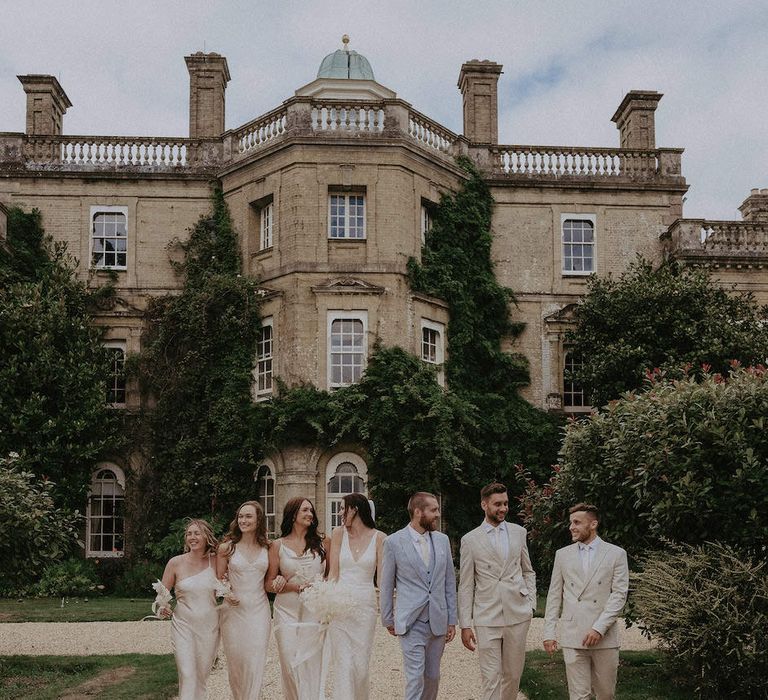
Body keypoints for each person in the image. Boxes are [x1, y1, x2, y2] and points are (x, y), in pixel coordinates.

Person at [458, 482, 536, 700]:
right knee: (490, 676)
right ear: (484, 505)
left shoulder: (519, 532)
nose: (503, 508)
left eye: (506, 503)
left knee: (512, 676)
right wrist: (465, 624)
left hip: (517, 614)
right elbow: (465, 584)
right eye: (497, 504)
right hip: (486, 616)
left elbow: (528, 571)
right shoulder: (470, 540)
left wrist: (530, 604)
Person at [543, 503, 629, 700]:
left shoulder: (616, 554)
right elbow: (554, 596)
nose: (571, 527)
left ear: (593, 524)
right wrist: (549, 632)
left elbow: (619, 595)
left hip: (604, 636)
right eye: (570, 522)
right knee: (579, 696)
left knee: (606, 694)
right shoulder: (562, 555)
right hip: (573, 634)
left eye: (577, 522)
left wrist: (599, 628)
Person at [380, 491, 457, 700]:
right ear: (417, 512)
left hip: (438, 620)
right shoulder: (393, 542)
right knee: (415, 678)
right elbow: (386, 584)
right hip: (411, 621)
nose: (438, 514)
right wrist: (387, 618)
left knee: (432, 676)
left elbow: (449, 582)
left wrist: (452, 619)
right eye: (433, 510)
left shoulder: (442, 540)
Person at [326, 494, 386, 699]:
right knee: (342, 664)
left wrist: (388, 610)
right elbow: (333, 574)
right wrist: (324, 602)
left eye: (343, 508)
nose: (341, 513)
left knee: (360, 666)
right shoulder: (337, 534)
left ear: (355, 509)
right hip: (339, 606)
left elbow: (382, 580)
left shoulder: (380, 538)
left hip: (365, 607)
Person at [268, 497, 327, 700]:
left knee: (311, 662)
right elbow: (268, 584)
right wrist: (288, 585)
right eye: (305, 510)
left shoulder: (322, 543)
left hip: (314, 611)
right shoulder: (277, 545)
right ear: (293, 515)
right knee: (289, 661)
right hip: (286, 610)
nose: (310, 514)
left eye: (311, 511)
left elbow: (330, 577)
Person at [216, 501, 275, 700]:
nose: (243, 520)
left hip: (259, 610)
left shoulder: (269, 548)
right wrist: (226, 592)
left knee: (256, 660)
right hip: (233, 612)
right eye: (240, 516)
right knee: (236, 663)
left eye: (248, 516)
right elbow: (218, 579)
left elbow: (271, 580)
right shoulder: (227, 548)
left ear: (258, 520)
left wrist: (282, 579)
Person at [156, 518, 220, 700]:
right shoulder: (175, 563)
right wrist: (163, 607)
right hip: (183, 625)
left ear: (206, 536)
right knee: (188, 673)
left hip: (209, 626)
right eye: (189, 534)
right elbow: (162, 595)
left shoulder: (215, 561)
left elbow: (228, 584)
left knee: (201, 676)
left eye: (197, 533)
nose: (192, 537)